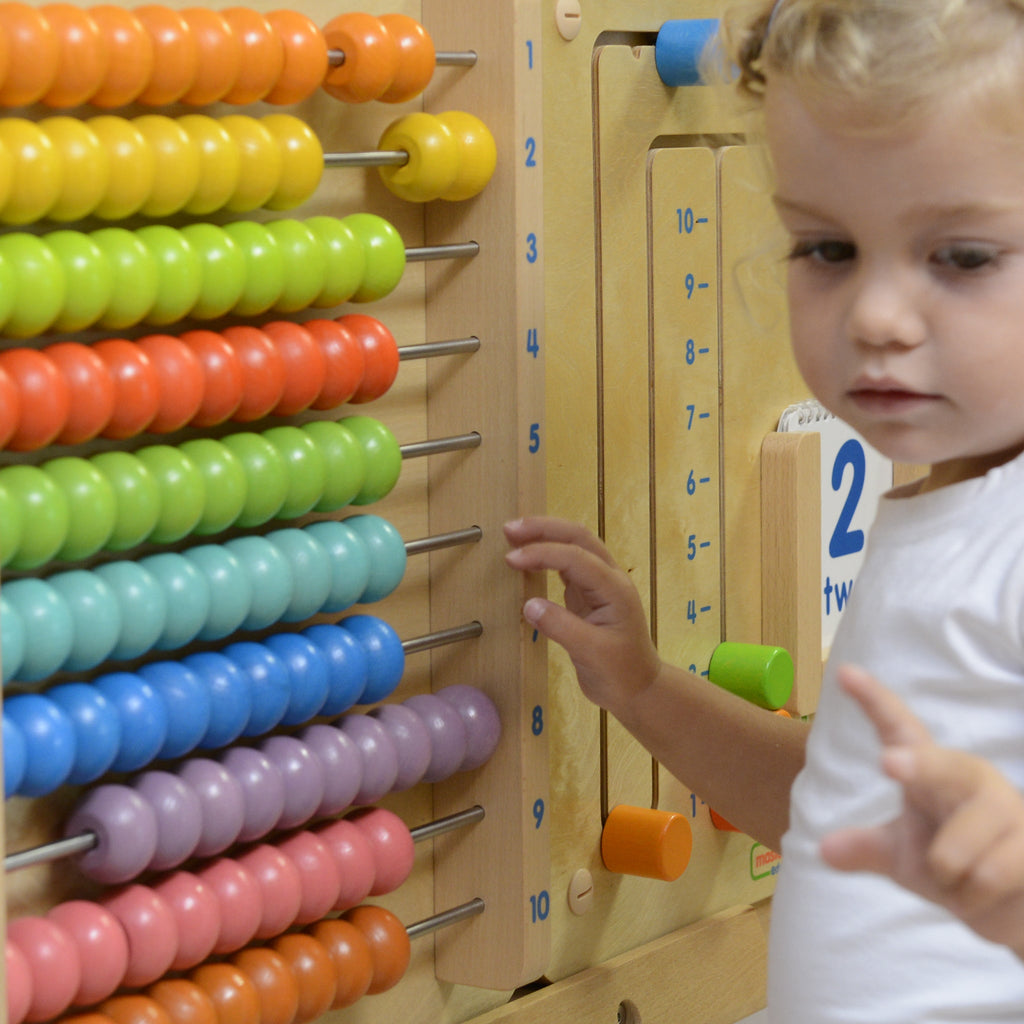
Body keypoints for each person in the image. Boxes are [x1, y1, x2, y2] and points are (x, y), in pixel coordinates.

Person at [504, 1, 1024, 1019]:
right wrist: (645, 686)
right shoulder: (943, 511)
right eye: (826, 249)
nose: (874, 316)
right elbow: (826, 805)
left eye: (961, 257)